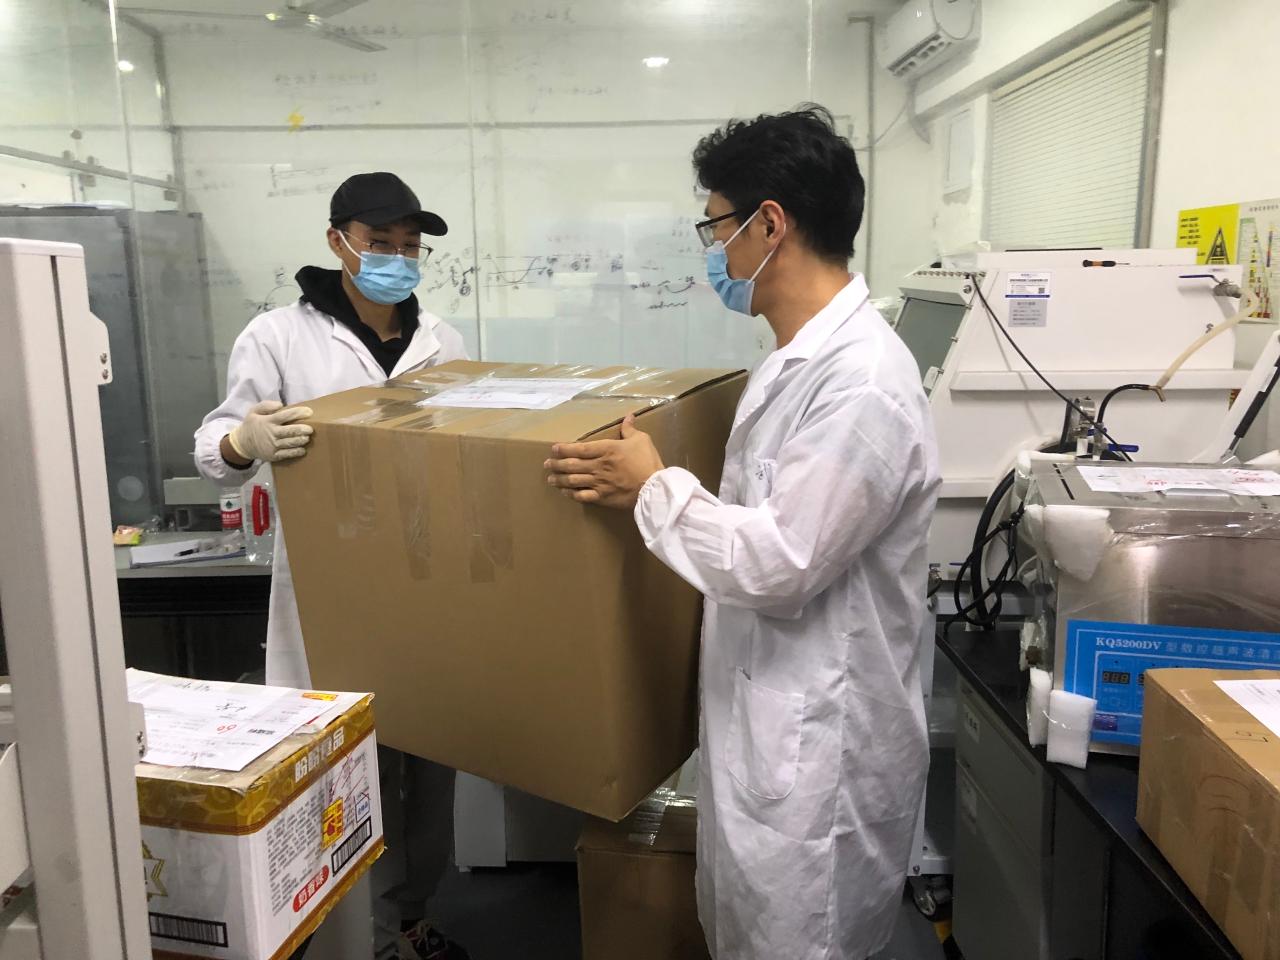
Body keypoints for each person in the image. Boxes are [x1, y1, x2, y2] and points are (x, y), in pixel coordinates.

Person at [544, 106, 940, 960]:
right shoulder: (796, 361)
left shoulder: (862, 383)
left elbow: (779, 561)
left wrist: (654, 488)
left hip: (820, 757)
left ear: (769, 224)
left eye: (716, 226)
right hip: (770, 735)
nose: (714, 250)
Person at [195, 172, 469, 960]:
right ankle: (360, 937)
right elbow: (214, 450)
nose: (397, 260)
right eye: (381, 243)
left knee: (433, 772)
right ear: (338, 241)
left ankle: (411, 921)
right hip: (331, 594)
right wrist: (244, 441)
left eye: (410, 247)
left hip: (429, 585)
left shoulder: (443, 342)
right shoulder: (279, 336)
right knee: (350, 776)